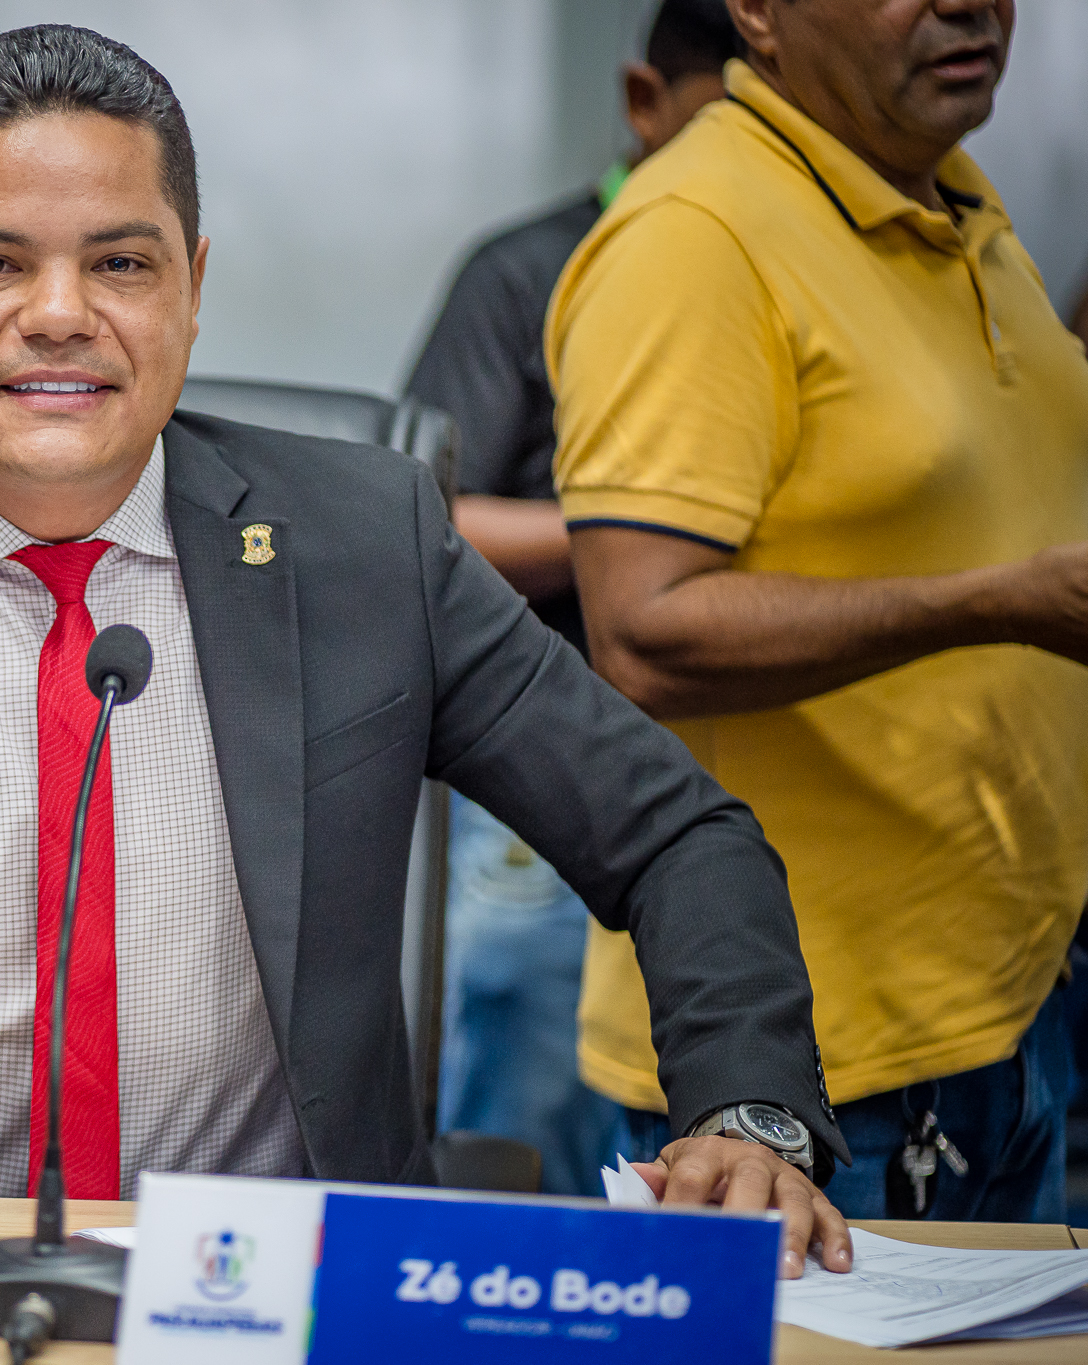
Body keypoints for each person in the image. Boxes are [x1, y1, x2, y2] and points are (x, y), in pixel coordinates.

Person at [0, 24, 854, 1277]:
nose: (57, 314)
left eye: (120, 263)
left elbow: (673, 834)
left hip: (288, 1282)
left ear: (192, 286)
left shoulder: (368, 547)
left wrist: (748, 1113)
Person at [548, 0, 1088, 1222]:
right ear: (755, 12)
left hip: (1003, 1010)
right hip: (808, 1071)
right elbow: (641, 633)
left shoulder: (955, 199)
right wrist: (998, 604)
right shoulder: (695, 235)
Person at [401, 0, 740, 1198]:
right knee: (523, 1086)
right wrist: (638, 538)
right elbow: (427, 520)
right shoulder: (530, 271)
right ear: (646, 104)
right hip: (542, 757)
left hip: (753, 766)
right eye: (736, 128)